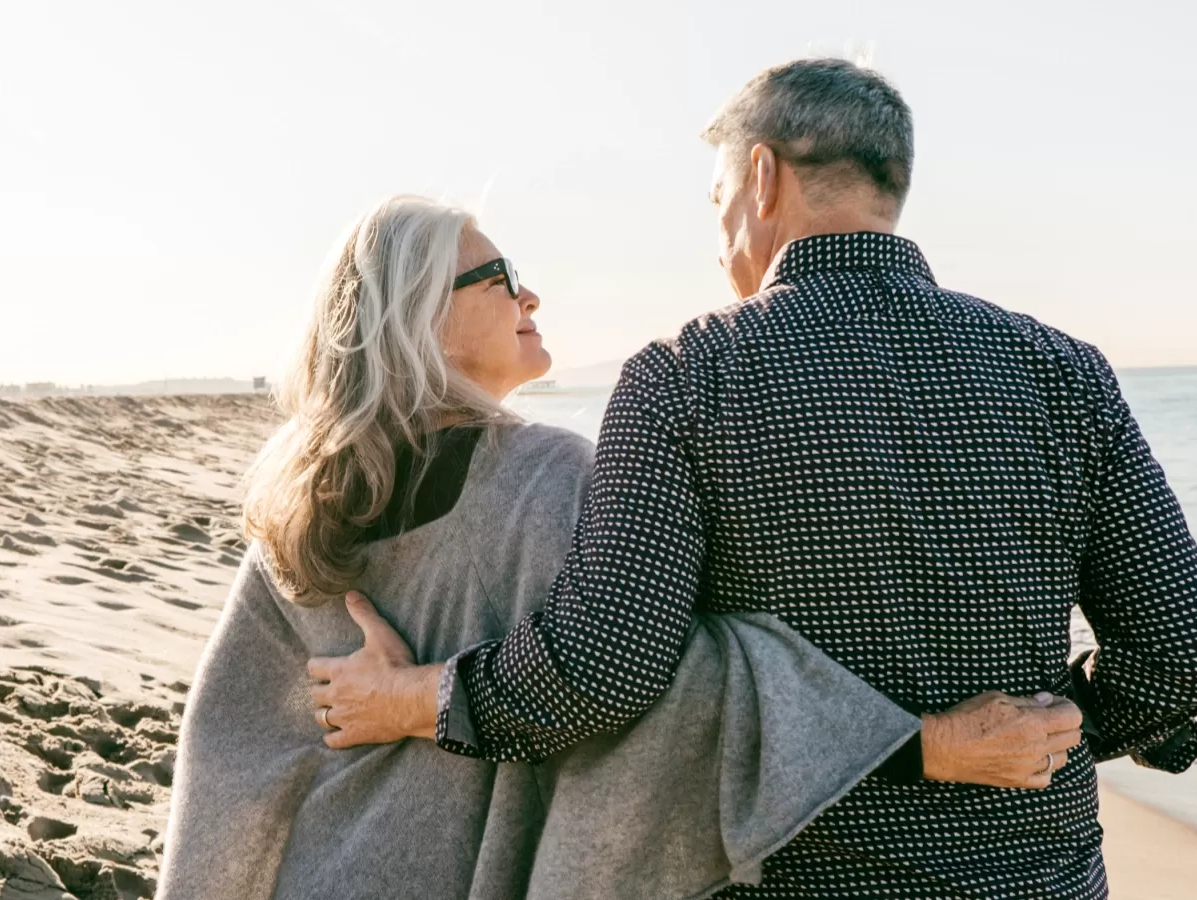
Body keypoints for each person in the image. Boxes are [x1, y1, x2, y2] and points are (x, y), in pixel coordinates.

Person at [311, 58, 1197, 897]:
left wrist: (416, 698)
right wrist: (1061, 726)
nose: (720, 241)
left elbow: (606, 668)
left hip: (789, 875)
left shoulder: (687, 375)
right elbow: (1186, 653)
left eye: (717, 199)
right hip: (1038, 876)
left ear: (760, 178)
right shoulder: (1061, 368)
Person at [158, 195, 1081, 899]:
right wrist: (922, 745)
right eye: (498, 276)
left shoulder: (299, 500)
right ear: (419, 313)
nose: (531, 294)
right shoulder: (552, 479)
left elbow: (230, 750)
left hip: (326, 870)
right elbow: (672, 681)